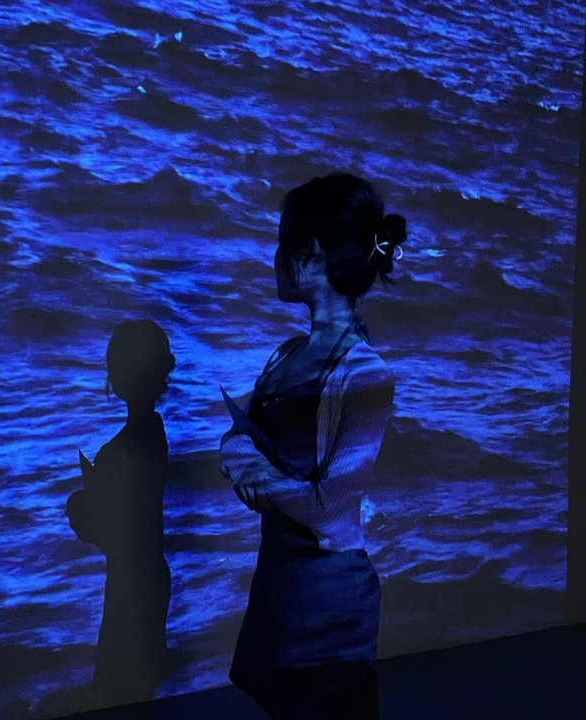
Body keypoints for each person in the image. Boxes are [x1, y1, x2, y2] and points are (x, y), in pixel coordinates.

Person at [219, 172, 405, 719]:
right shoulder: (284, 356)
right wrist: (249, 466)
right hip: (279, 589)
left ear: (313, 252)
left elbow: (330, 507)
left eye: (284, 242)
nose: (275, 257)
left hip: (329, 606)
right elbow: (234, 437)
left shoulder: (366, 373)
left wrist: (258, 478)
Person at [66, 319, 174, 708]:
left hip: (130, 582)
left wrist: (80, 508)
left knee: (118, 685)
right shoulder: (154, 432)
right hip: (152, 574)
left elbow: (110, 533)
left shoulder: (117, 452)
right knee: (138, 686)